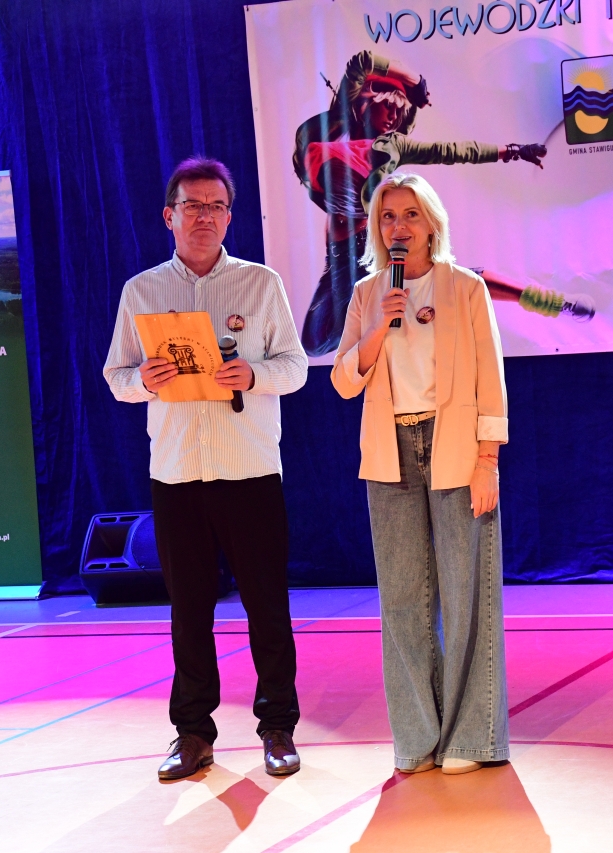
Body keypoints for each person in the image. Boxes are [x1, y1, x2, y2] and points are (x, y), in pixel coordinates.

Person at [103, 157, 309, 781]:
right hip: (177, 473)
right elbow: (115, 377)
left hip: (249, 469)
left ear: (229, 216)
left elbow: (296, 367)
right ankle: (192, 733)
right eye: (192, 206)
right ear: (169, 216)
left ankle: (277, 727)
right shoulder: (141, 292)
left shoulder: (260, 284)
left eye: (216, 206)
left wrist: (253, 373)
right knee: (189, 611)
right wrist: (145, 380)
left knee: (266, 606)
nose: (204, 217)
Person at [330, 172, 510, 775]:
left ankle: (471, 738)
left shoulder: (466, 288)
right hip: (391, 451)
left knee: (466, 594)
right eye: (388, 217)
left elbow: (491, 381)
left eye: (410, 215)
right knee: (403, 600)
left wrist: (487, 461)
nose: (399, 226)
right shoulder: (368, 294)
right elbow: (343, 381)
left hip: (454, 446)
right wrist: (377, 328)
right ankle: (417, 736)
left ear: (432, 224)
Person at [293, 50, 549, 355]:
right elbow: (360, 63)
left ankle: (532, 297)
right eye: (387, 106)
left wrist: (513, 151)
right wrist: (415, 83)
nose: (393, 116)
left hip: (366, 247)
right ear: (366, 102)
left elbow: (452, 151)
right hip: (338, 257)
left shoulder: (393, 147)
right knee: (315, 343)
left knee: (435, 282)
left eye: (398, 111)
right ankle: (405, 295)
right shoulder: (339, 121)